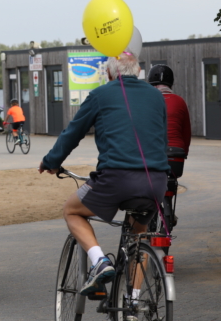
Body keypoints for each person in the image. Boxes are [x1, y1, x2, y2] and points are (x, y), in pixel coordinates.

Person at [38, 52, 169, 298]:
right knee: (137, 237)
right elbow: (162, 139)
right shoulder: (156, 96)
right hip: (155, 182)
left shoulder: (100, 94)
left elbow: (73, 133)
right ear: (139, 71)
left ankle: (99, 262)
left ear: (109, 74)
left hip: (116, 179)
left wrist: (51, 162)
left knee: (72, 211)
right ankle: (133, 303)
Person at [147, 64, 191, 159]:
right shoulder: (180, 101)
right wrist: (185, 152)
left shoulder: (147, 100)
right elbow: (186, 132)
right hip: (177, 153)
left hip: (154, 153)